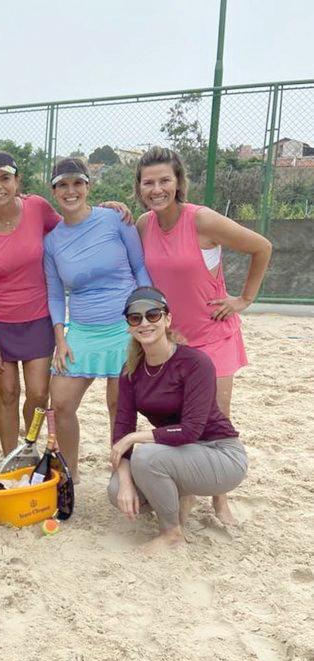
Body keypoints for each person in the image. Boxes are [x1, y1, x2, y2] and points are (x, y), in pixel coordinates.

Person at [134, 146, 271, 523]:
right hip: (170, 341)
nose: (157, 188)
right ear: (139, 187)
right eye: (149, 182)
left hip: (213, 336)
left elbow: (262, 247)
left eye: (164, 180)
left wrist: (243, 298)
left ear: (178, 182)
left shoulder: (202, 220)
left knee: (215, 420)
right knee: (176, 417)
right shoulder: (144, 225)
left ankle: (220, 500)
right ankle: (185, 493)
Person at [108, 287, 248, 551]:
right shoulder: (130, 371)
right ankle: (182, 497)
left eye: (152, 315)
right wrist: (126, 483)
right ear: (128, 326)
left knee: (146, 456)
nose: (145, 323)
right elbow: (121, 431)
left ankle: (172, 534)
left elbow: (191, 430)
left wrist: (134, 438)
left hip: (220, 453)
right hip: (180, 453)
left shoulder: (195, 362)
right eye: (135, 318)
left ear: (167, 319)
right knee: (115, 490)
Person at [44, 157, 152, 483]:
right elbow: (53, 295)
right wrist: (60, 339)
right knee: (60, 402)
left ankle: (122, 473)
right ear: (54, 191)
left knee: (118, 403)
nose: (71, 190)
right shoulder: (51, 242)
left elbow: (140, 268)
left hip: (125, 326)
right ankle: (69, 475)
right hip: (82, 330)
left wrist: (147, 316)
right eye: (63, 184)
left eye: (77, 183)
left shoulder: (116, 219)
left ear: (88, 186)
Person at [0, 151, 60, 456]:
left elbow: (72, 227)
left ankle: (29, 446)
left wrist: (105, 212)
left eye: (5, 178)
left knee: (38, 393)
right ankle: (10, 458)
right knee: (6, 394)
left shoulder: (37, 208)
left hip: (38, 318)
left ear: (17, 180)